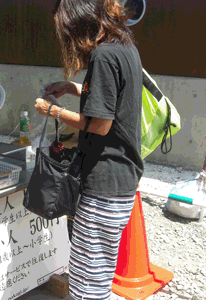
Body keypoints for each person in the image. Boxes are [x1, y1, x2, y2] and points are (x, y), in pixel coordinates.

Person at [34, 0, 144, 299]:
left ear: (78, 23)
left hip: (104, 183)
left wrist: (53, 111)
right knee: (99, 275)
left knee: (85, 284)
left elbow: (100, 124)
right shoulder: (124, 46)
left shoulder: (103, 56)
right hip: (122, 179)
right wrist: (73, 88)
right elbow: (114, 99)